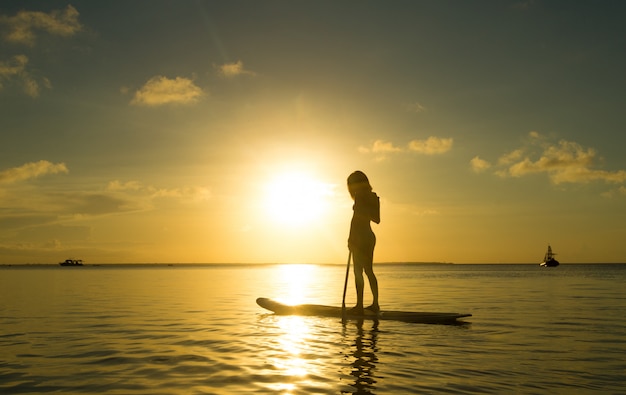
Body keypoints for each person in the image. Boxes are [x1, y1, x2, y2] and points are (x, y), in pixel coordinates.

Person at [347, 170, 380, 314]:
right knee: (361, 271)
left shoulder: (368, 197)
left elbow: (376, 219)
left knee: (364, 271)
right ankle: (363, 304)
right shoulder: (367, 197)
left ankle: (369, 305)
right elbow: (355, 221)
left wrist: (362, 208)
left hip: (364, 237)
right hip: (362, 237)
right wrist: (350, 238)